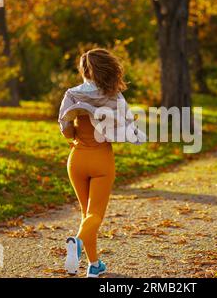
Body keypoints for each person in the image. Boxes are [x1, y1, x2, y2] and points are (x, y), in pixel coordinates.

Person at [58, 48, 145, 277]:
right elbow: (125, 127)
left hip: (76, 159)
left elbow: (66, 131)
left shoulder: (72, 94)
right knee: (95, 214)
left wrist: (77, 126)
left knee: (86, 215)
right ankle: (76, 244)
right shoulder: (114, 96)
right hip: (101, 160)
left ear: (84, 70)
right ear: (108, 69)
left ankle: (94, 266)